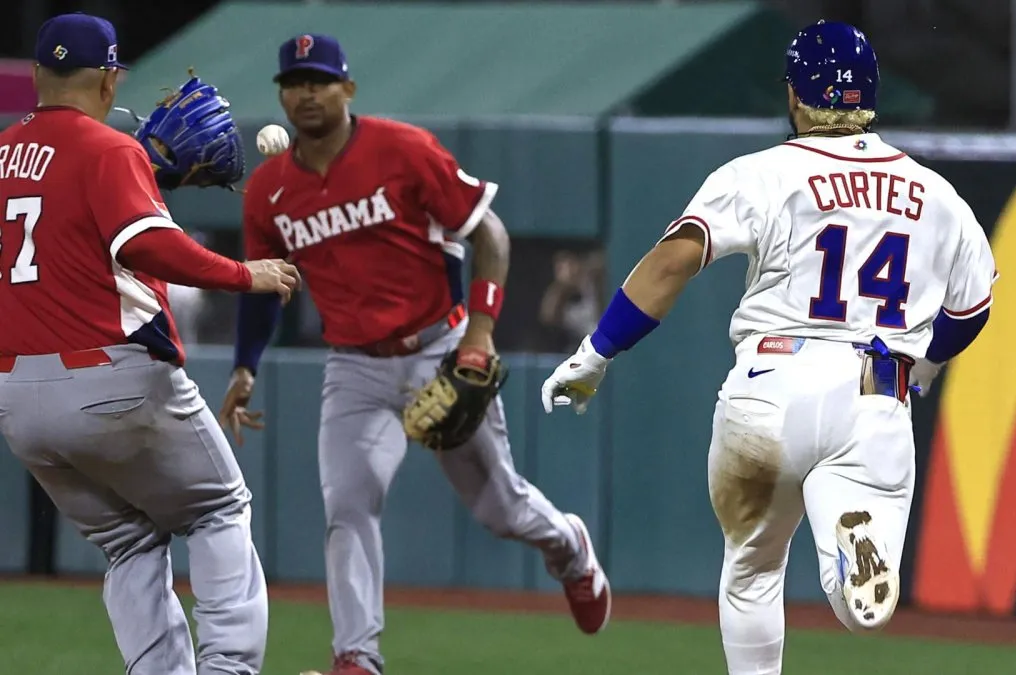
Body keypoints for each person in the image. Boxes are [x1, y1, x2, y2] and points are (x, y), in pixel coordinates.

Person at [540, 20, 997, 675]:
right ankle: (851, 559)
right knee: (859, 593)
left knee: (752, 567)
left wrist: (596, 352)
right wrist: (921, 369)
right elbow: (972, 307)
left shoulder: (765, 172)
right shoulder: (938, 196)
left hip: (771, 382)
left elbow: (672, 262)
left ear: (796, 94)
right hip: (876, 390)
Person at [219, 34, 611, 675]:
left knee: (501, 509)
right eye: (294, 82)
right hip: (354, 368)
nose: (307, 92)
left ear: (347, 89)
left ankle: (569, 548)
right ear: (281, 95)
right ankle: (357, 656)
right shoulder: (268, 192)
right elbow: (267, 286)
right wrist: (244, 365)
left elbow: (489, 232)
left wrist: (480, 334)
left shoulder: (401, 149)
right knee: (347, 504)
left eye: (320, 80)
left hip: (440, 346)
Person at [0, 12, 300, 675]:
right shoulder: (111, 150)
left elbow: (60, 227)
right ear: (109, 80)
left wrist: (147, 177)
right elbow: (145, 245)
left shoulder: (2, 152)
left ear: (40, 76)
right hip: (113, 379)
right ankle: (226, 668)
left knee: (128, 539)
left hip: (17, 397)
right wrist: (244, 274)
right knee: (220, 508)